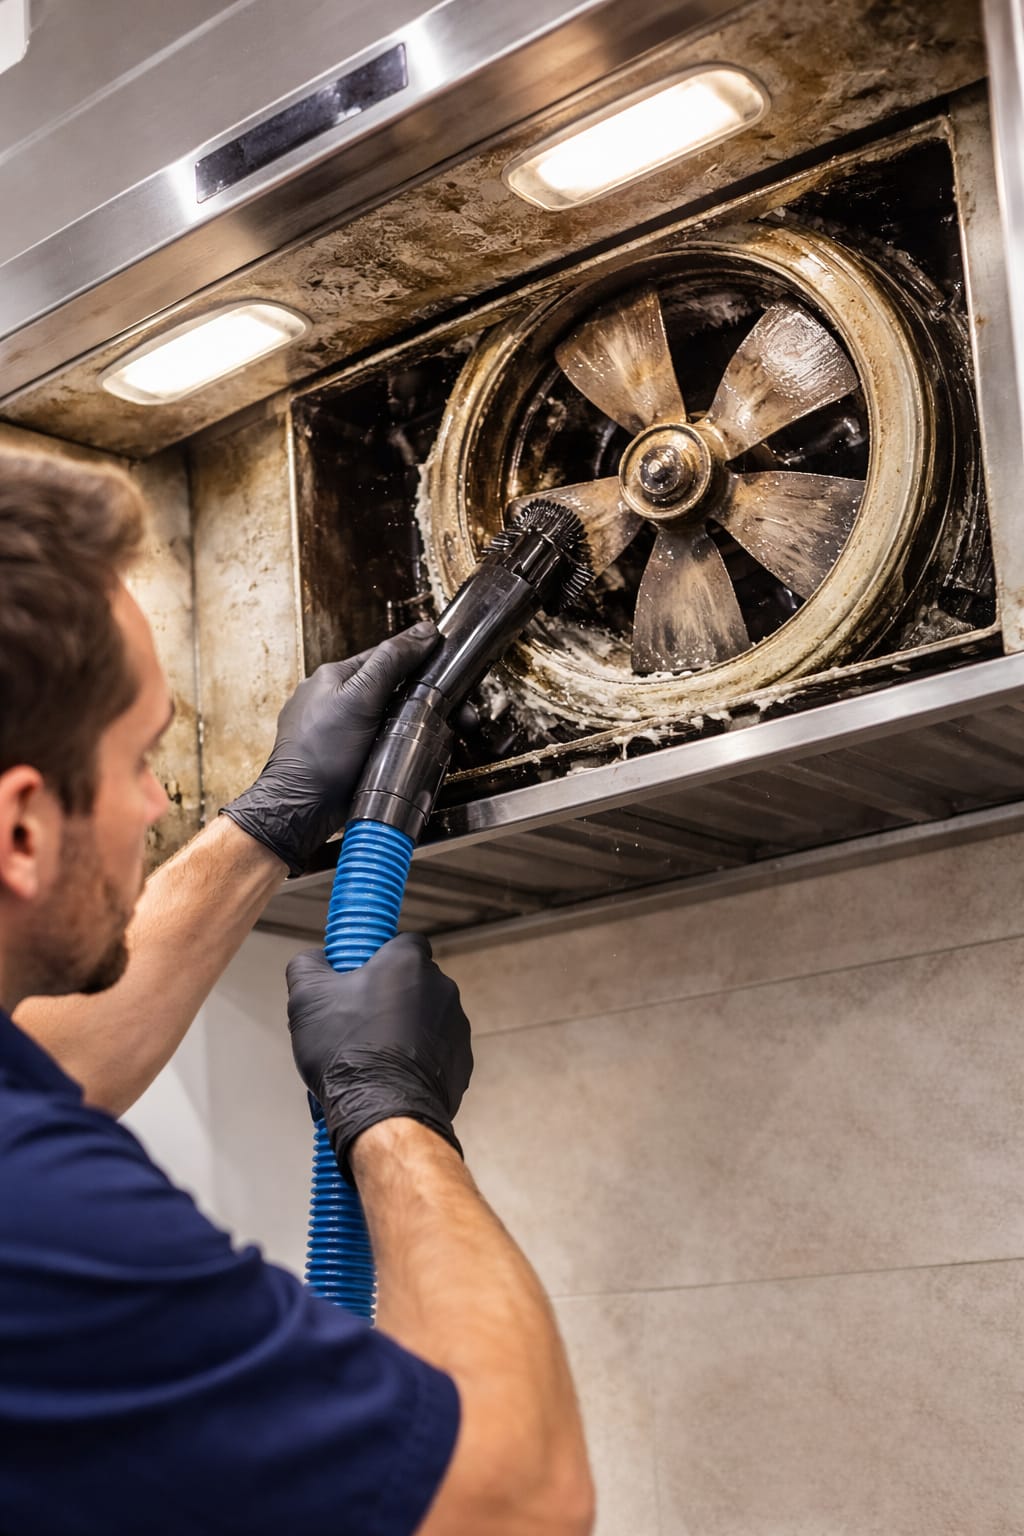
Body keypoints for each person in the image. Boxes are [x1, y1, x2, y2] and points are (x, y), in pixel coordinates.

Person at [0, 448, 594, 1536]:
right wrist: (391, 1113)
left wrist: (269, 818)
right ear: (23, 829)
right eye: (144, 762)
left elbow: (58, 1066)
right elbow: (514, 1498)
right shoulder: (40, 1219)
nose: (154, 805)